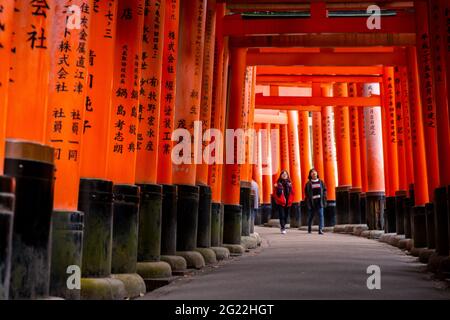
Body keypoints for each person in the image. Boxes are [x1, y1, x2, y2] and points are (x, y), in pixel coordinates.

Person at [305, 168, 327, 235]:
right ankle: (309, 227)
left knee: (321, 215)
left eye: (315, 172)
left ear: (317, 174)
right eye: (312, 172)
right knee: (311, 216)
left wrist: (324, 196)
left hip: (320, 201)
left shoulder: (321, 182)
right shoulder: (308, 183)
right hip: (312, 202)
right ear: (310, 175)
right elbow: (306, 193)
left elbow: (324, 190)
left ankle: (320, 229)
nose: (314, 173)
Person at [272, 170, 294, 234]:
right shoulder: (278, 184)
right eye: (283, 174)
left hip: (288, 202)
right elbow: (275, 193)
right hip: (281, 202)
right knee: (282, 215)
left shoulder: (290, 184)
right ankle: (282, 227)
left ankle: (283, 225)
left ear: (287, 176)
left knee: (286, 216)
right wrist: (278, 200)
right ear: (281, 175)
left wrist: (291, 200)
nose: (284, 175)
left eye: (286, 174)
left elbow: (292, 193)